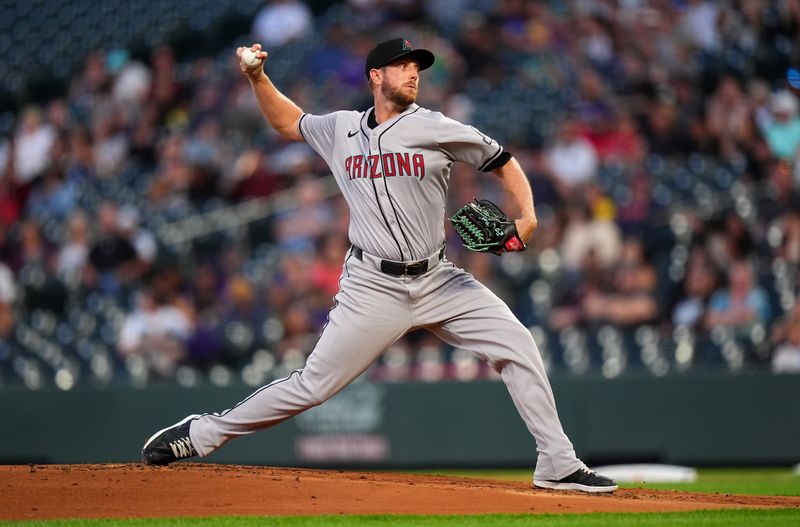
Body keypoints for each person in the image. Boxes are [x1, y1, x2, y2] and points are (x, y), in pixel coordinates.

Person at [141, 38, 617, 493]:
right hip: (372, 286)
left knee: (517, 344)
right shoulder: (341, 128)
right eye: (404, 65)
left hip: (438, 279)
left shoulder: (434, 126)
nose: (414, 73)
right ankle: (203, 433)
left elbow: (502, 161)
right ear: (376, 75)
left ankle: (557, 462)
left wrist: (527, 215)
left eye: (418, 67)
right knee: (311, 386)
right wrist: (258, 77)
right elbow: (290, 123)